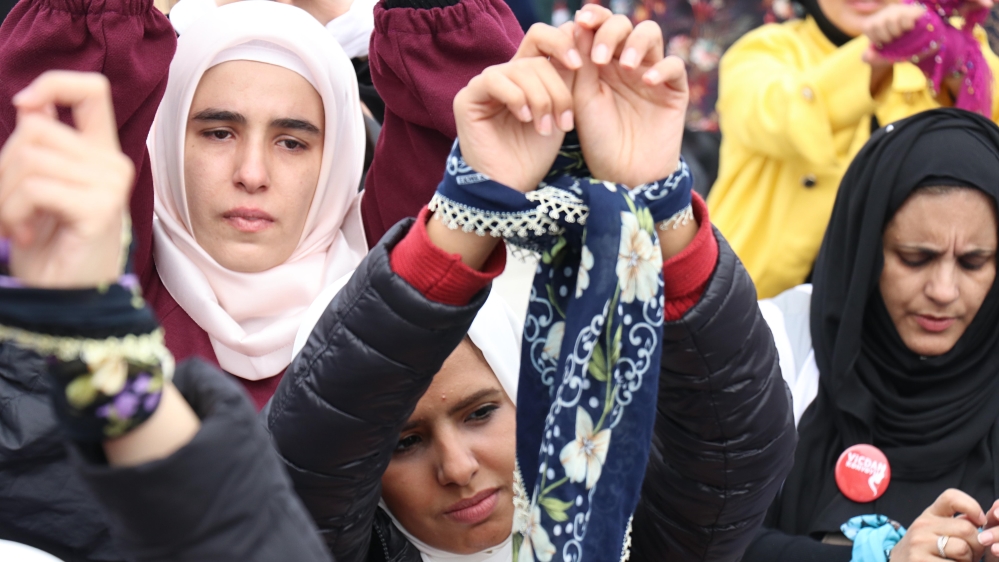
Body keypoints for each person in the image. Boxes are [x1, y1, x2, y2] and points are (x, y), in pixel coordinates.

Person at [267, 5, 796, 561]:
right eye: (404, 443)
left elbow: (734, 449)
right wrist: (469, 207)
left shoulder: (633, 539)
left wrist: (657, 202)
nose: (457, 467)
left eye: (479, 412)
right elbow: (309, 466)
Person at [0, 70, 331, 562]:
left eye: (291, 142)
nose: (252, 172)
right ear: (168, 140)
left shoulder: (369, 305)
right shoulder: (112, 276)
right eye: (218, 132)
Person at [744, 108, 999, 561]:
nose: (943, 291)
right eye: (914, 258)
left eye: (973, 263)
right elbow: (700, 538)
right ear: (863, 249)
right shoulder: (779, 342)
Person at [706, 0, 999, 299]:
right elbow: (781, 116)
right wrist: (882, 51)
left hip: (905, 306)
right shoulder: (762, 50)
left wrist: (952, 57)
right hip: (755, 305)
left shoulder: (945, 48)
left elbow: (987, 138)